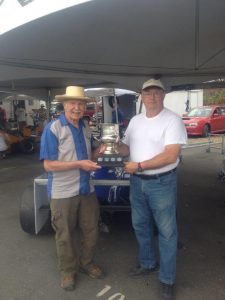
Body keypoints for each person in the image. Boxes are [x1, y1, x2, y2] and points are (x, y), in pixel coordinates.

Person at [115, 79, 187, 300]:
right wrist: (114, 145)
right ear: (141, 96)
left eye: (157, 93)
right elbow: (127, 148)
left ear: (163, 96)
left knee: (166, 232)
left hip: (161, 182)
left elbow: (170, 155)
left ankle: (167, 279)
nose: (152, 97)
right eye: (148, 93)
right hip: (137, 182)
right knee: (140, 225)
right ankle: (147, 263)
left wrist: (140, 166)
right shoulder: (136, 121)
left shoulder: (172, 120)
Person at [40, 86, 105, 292]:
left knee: (91, 229)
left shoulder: (85, 127)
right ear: (64, 105)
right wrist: (80, 164)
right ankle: (68, 271)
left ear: (85, 107)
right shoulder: (53, 128)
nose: (77, 108)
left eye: (81, 104)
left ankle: (86, 263)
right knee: (65, 234)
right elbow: (48, 165)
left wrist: (101, 150)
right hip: (62, 192)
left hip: (86, 189)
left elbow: (89, 157)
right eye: (73, 103)